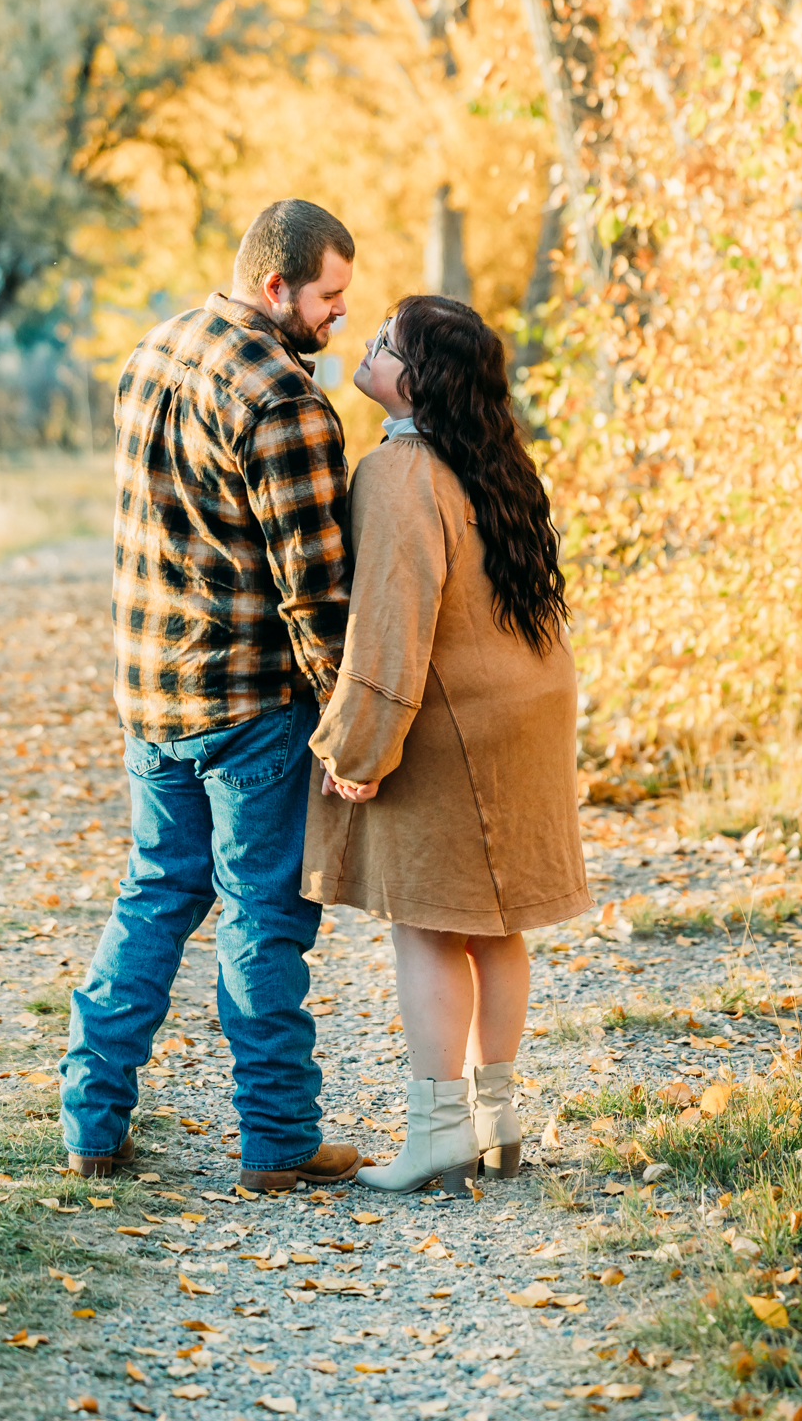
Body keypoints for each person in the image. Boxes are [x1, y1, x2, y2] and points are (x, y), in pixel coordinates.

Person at [59, 198, 365, 1193]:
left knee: (154, 893)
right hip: (247, 708)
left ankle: (91, 1123)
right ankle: (278, 1139)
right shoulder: (285, 401)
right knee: (262, 916)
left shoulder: (153, 350)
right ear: (275, 286)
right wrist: (347, 725)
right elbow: (315, 591)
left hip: (150, 697)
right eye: (328, 299)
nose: (337, 321)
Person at [303, 294, 590, 1195]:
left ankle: (436, 1134)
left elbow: (389, 630)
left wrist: (357, 752)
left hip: (455, 721)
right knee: (496, 923)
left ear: (417, 380)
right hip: (528, 706)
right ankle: (497, 1120)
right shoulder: (489, 458)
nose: (368, 343)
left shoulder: (395, 473)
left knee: (428, 926)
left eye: (386, 340)